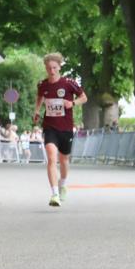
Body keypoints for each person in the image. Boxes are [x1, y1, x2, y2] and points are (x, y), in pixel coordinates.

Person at [33, 52, 87, 207]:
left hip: (66, 127)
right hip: (49, 126)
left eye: (54, 68)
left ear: (59, 67)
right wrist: (37, 111)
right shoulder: (42, 84)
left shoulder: (69, 83)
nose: (52, 71)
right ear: (46, 68)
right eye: (49, 68)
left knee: (64, 160)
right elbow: (39, 97)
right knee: (51, 158)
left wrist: (73, 103)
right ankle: (54, 194)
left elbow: (84, 97)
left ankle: (63, 184)